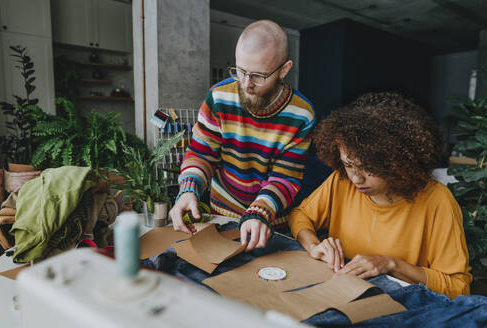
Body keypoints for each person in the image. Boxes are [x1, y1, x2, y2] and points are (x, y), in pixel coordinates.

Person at [288, 92, 472, 299]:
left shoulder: (438, 200)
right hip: (339, 293)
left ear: (398, 163)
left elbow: (458, 287)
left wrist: (390, 264)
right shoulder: (341, 181)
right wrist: (314, 246)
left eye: (368, 168)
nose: (356, 179)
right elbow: (300, 215)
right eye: (348, 165)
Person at [170, 20, 315, 251]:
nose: (246, 84)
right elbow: (201, 153)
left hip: (271, 220)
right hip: (222, 213)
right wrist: (188, 189)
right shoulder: (218, 98)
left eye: (258, 75)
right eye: (240, 71)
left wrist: (259, 211)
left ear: (284, 69)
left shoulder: (302, 114)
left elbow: (286, 177)